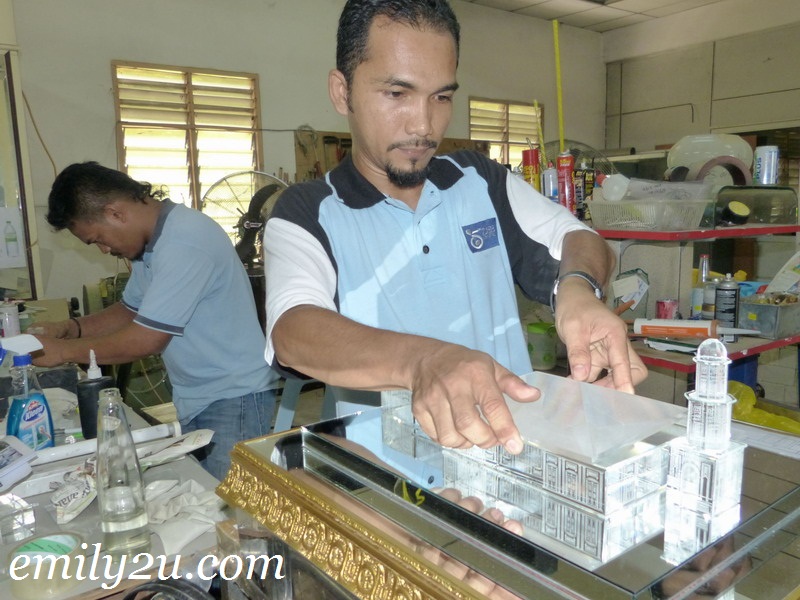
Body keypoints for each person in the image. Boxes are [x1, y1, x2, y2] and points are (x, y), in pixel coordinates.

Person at [263, 0, 647, 457]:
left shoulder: (480, 181)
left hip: (511, 456)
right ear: (342, 92)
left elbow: (579, 239)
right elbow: (293, 330)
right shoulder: (308, 212)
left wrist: (578, 292)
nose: (424, 125)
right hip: (393, 478)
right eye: (397, 94)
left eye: (441, 97)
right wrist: (423, 361)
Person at [30, 162, 279, 479]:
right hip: (198, 394)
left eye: (98, 239)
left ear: (115, 213)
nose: (104, 249)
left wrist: (62, 351)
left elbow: (147, 339)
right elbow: (130, 310)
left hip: (233, 396)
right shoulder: (152, 244)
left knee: (225, 501)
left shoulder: (185, 241)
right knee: (204, 491)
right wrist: (71, 329)